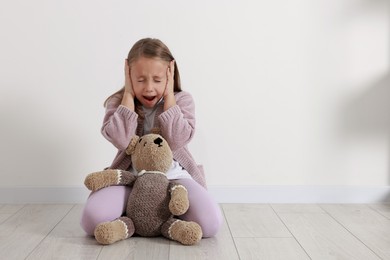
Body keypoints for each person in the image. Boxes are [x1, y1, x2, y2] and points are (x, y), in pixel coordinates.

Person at [80, 38, 222, 238]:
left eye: (157, 80)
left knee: (210, 225)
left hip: (174, 179)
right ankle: (135, 213)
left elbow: (177, 140)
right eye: (139, 80)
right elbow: (121, 140)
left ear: (169, 76)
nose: (148, 88)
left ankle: (164, 216)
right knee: (91, 221)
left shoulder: (182, 101)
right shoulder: (118, 103)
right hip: (131, 179)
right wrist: (128, 96)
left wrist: (170, 98)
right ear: (129, 75)